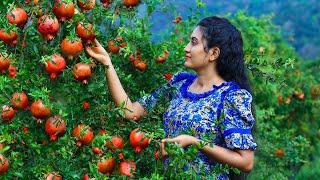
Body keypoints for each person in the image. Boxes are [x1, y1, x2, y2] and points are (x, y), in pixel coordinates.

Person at [86, 16, 257, 179]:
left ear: (213, 53)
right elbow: (130, 111)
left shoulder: (230, 97)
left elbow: (245, 161)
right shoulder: (179, 85)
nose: (186, 48)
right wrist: (107, 64)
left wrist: (194, 142)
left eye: (194, 42)